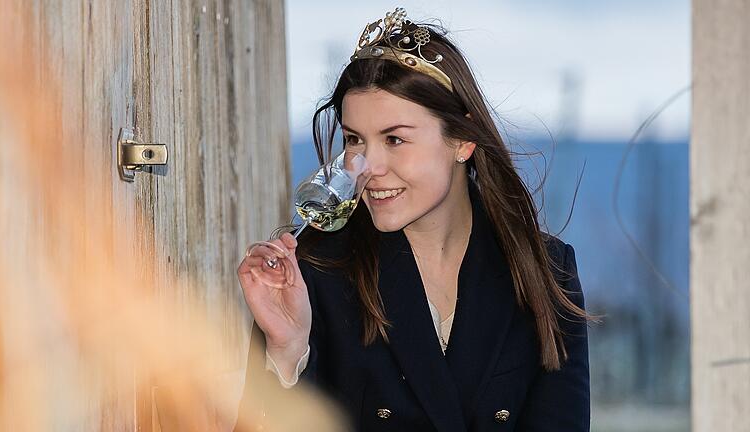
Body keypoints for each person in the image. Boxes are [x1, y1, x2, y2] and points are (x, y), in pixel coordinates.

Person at [237, 7, 590, 432]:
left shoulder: (544, 270)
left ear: (461, 139)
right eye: (354, 140)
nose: (368, 166)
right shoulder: (316, 274)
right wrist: (286, 352)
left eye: (395, 139)